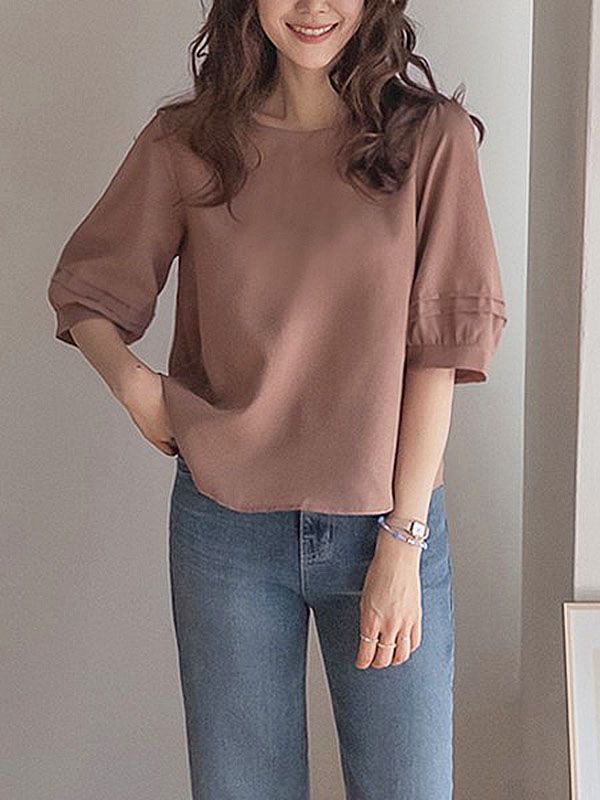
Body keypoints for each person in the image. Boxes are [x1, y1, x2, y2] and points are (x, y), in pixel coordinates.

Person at [46, 1, 508, 798]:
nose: (312, 6)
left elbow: (442, 350)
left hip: (386, 525)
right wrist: (134, 388)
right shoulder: (190, 142)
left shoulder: (432, 139)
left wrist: (404, 542)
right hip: (226, 531)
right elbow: (88, 289)